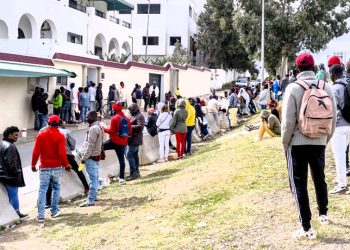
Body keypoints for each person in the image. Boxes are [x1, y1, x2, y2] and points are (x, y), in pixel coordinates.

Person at [282, 53, 336, 239]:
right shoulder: (326, 86)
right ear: (313, 67)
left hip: (297, 142)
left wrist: (285, 142)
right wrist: (325, 139)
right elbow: (333, 117)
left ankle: (306, 227)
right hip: (320, 139)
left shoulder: (293, 88)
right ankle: (323, 214)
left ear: (297, 70)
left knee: (299, 184)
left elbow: (288, 122)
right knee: (319, 177)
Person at [31, 115, 71, 222]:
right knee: (56, 188)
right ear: (58, 124)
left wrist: (33, 165)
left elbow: (35, 152)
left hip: (44, 167)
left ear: (48, 123)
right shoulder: (60, 136)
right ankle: (54, 211)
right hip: (57, 167)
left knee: (42, 190)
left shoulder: (41, 135)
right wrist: (66, 164)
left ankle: (40, 216)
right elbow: (62, 153)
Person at [328, 64, 350, 194]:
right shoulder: (348, 83)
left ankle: (342, 185)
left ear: (333, 74)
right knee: (342, 154)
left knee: (339, 155)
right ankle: (340, 177)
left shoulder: (333, 88)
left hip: (339, 125)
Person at [0, 126, 28, 219]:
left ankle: (11, 215)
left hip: (3, 175)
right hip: (10, 177)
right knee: (14, 196)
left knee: (9, 196)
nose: (17, 137)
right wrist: (17, 171)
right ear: (9, 135)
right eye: (15, 135)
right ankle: (17, 213)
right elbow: (11, 164)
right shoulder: (10, 146)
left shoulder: (2, 144)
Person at [79, 111, 104, 207]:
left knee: (93, 179)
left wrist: (84, 158)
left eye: (87, 116)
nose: (85, 118)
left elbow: (90, 145)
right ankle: (93, 196)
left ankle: (91, 200)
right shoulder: (98, 127)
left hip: (91, 157)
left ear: (93, 117)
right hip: (95, 156)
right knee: (95, 178)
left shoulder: (93, 129)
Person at [103, 102, 131, 185]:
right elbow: (130, 132)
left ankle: (89, 156)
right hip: (123, 143)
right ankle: (122, 179)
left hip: (114, 141)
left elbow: (111, 131)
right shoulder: (127, 118)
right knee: (122, 161)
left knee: (100, 147)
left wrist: (103, 128)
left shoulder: (114, 118)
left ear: (114, 109)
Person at [126, 103, 145, 181]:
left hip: (135, 139)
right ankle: (135, 172)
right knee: (134, 156)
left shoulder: (139, 116)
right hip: (132, 139)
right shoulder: (134, 115)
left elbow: (140, 127)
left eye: (130, 110)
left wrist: (129, 126)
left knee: (129, 155)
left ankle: (134, 173)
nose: (130, 111)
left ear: (134, 109)